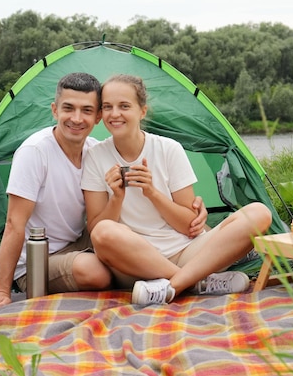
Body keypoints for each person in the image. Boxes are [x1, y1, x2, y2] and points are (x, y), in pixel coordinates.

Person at [0, 72, 208, 313]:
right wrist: (3, 291)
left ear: (97, 117)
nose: (76, 118)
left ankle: (173, 277)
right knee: (96, 272)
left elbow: (110, 215)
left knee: (195, 232)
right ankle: (190, 280)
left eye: (86, 110)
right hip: (41, 257)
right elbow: (14, 223)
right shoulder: (35, 152)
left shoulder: (95, 151)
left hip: (83, 241)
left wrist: (194, 208)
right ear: (55, 110)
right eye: (68, 108)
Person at [81, 74, 273, 306]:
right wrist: (117, 199)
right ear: (101, 115)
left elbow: (188, 225)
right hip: (134, 263)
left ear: (142, 111)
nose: (115, 114)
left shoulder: (169, 149)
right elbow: (94, 230)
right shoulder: (95, 156)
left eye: (124, 106)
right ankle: (199, 283)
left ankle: (174, 286)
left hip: (188, 253)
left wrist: (152, 192)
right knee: (103, 232)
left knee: (259, 213)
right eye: (108, 107)